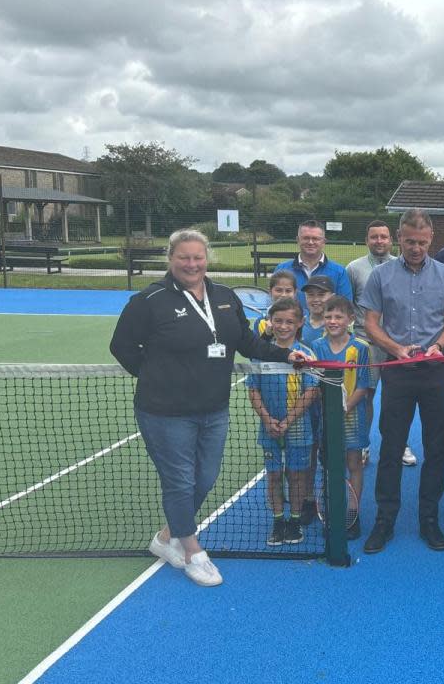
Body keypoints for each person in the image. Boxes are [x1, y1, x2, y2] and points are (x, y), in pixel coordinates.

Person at [110, 229, 306, 587]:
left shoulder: (224, 297)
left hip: (213, 409)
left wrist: (286, 354)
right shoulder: (150, 300)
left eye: (198, 257)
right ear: (170, 259)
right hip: (164, 411)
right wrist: (157, 377)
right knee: (180, 480)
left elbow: (247, 342)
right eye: (184, 257)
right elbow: (121, 346)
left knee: (205, 477)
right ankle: (191, 551)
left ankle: (166, 537)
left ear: (207, 258)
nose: (192, 264)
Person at [358, 209, 444, 554]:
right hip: (397, 369)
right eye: (409, 241)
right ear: (399, 238)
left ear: (431, 239)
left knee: (435, 449)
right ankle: (384, 521)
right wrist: (395, 348)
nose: (416, 247)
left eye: (422, 242)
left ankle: (429, 520)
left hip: (437, 370)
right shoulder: (380, 276)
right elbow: (371, 323)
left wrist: (439, 346)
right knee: (391, 447)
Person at [246, 297, 319, 546]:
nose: (283, 326)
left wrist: (287, 421)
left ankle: (295, 520)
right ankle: (278, 521)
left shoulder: (306, 355)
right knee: (274, 475)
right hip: (269, 429)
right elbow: (253, 390)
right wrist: (268, 420)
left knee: (297, 475)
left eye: (290, 321)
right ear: (270, 322)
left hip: (298, 428)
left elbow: (310, 392)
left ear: (300, 323)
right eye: (278, 321)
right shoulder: (260, 355)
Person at [346, 221, 416, 467]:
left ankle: (401, 444)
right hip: (367, 343)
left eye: (383, 237)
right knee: (365, 395)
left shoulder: (405, 266)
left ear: (391, 240)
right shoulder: (353, 269)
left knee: (398, 398)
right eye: (374, 236)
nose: (379, 241)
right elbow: (347, 306)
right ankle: (363, 445)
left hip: (399, 344)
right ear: (367, 239)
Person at [310, 295, 372, 540]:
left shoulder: (361, 348)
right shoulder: (316, 347)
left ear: (350, 319)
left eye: (338, 316)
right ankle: (333, 511)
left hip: (351, 418)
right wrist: (328, 409)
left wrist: (344, 408)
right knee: (330, 465)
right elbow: (313, 383)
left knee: (353, 464)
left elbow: (363, 386)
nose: (333, 321)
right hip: (324, 418)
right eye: (328, 316)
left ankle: (352, 514)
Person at [275, 219, 353, 309]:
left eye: (315, 238)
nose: (310, 242)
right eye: (306, 238)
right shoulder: (282, 269)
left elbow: (345, 308)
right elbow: (274, 304)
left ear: (324, 242)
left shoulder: (339, 272)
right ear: (298, 240)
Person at [253, 270, 296, 338]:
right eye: (279, 290)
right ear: (270, 291)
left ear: (295, 292)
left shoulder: (301, 320)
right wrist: (266, 335)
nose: (283, 295)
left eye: (288, 291)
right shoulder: (260, 322)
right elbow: (256, 347)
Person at [299, 276, 331, 347]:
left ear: (332, 297)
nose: (316, 299)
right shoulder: (299, 324)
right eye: (310, 295)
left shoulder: (337, 326)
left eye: (321, 295)